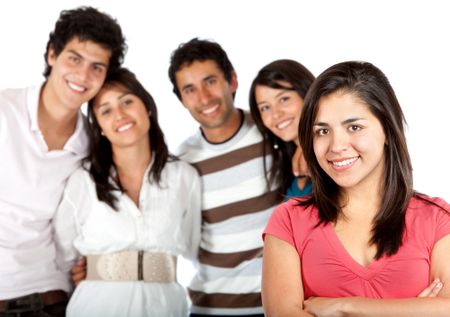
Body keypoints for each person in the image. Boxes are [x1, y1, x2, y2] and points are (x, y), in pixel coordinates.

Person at [262, 61, 450, 316]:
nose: (336, 145)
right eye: (322, 131)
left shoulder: (437, 219)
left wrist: (344, 306)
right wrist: (416, 310)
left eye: (354, 127)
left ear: (387, 130)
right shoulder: (288, 222)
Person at [0, 6, 126, 317]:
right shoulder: (4, 112)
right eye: (75, 58)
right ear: (52, 54)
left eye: (97, 67)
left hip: (52, 299)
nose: (83, 76)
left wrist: (95, 267)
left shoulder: (93, 146)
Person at [53, 68, 201, 317]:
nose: (119, 115)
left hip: (166, 307)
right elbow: (62, 256)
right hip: (96, 306)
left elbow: (192, 245)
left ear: (147, 108)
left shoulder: (184, 176)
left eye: (127, 102)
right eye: (106, 110)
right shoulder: (83, 181)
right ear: (99, 126)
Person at [168, 38, 282, 316]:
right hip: (210, 308)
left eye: (210, 81)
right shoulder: (181, 162)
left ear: (231, 80)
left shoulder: (273, 133)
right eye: (190, 89)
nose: (204, 98)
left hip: (277, 305)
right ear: (181, 99)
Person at [249, 59, 315, 198]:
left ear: (307, 93)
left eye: (283, 99)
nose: (276, 114)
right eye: (265, 107)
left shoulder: (335, 152)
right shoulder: (288, 165)